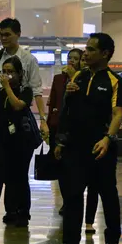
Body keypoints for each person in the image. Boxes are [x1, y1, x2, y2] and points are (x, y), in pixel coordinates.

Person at [47, 33, 122, 244]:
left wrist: (107, 139)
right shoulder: (79, 78)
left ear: (105, 54)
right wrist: (61, 141)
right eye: (86, 49)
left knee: (107, 195)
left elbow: (118, 113)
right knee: (72, 196)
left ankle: (112, 241)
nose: (86, 53)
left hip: (100, 148)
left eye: (91, 49)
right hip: (75, 147)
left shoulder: (114, 81)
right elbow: (67, 112)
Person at [0, 56, 38, 228]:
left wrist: (8, 87)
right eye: (4, 72)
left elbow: (18, 105)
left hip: (22, 141)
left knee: (19, 178)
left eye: (11, 72)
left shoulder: (26, 91)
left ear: (20, 73)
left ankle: (22, 213)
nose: (7, 75)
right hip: (3, 139)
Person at [0, 17, 48, 143]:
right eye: (1, 35)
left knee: (19, 154)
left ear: (18, 34)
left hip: (20, 113)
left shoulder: (29, 59)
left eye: (7, 34)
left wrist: (43, 120)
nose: (3, 38)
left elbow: (37, 91)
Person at [49, 49, 83, 215]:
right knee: (60, 167)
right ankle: (65, 201)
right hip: (58, 127)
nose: (71, 61)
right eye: (69, 58)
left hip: (76, 129)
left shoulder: (84, 79)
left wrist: (74, 77)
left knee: (74, 169)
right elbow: (53, 103)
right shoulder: (58, 79)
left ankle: (74, 201)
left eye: (76, 59)